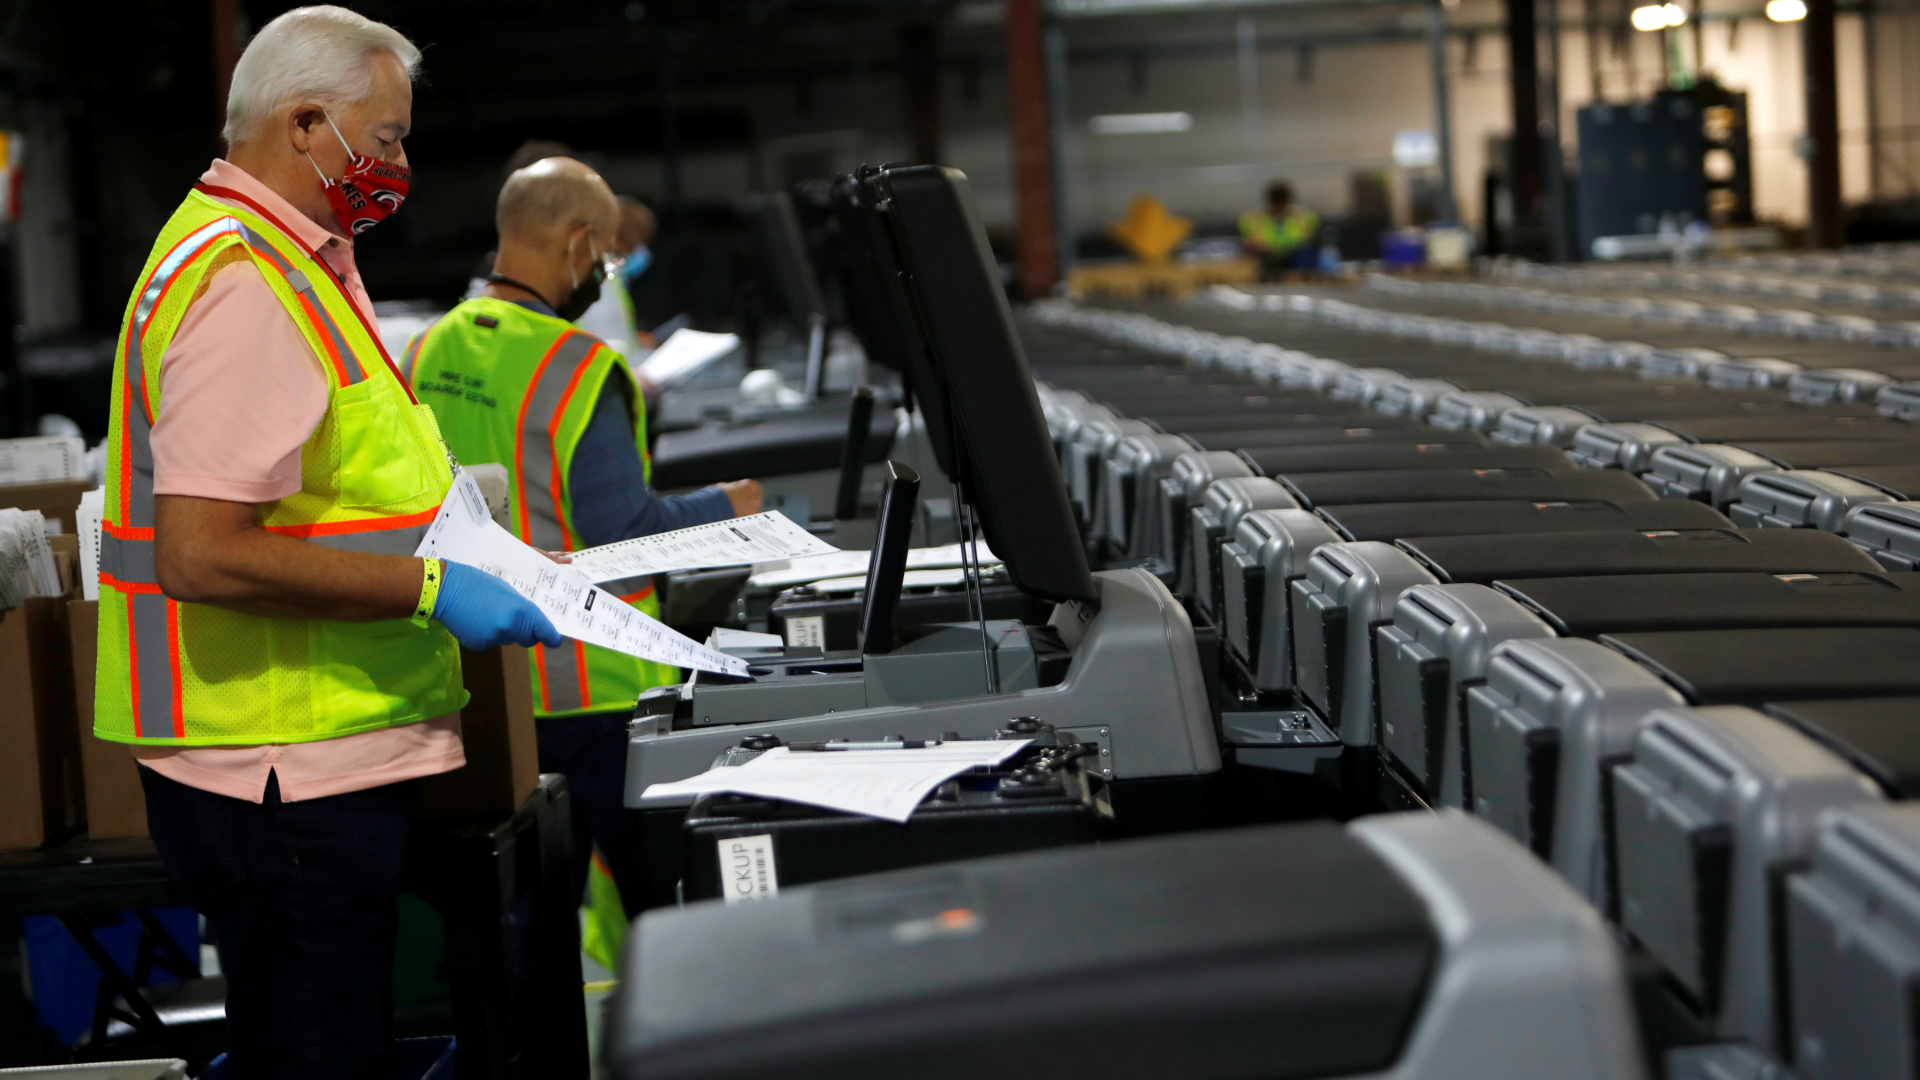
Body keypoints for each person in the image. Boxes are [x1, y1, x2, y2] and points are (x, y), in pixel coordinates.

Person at [93, 8, 562, 1078]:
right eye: (385, 137)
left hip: (299, 756)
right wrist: (429, 589)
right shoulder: (247, 285)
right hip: (279, 765)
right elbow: (201, 552)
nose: (398, 164)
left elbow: (334, 485)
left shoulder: (295, 259)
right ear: (306, 124)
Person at [403, 157, 762, 915]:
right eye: (602, 257)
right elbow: (621, 531)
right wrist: (729, 506)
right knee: (662, 912)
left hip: (479, 689)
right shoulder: (577, 367)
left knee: (525, 932)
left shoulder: (423, 350)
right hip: (593, 686)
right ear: (575, 244)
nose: (601, 273)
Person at [572, 195, 657, 357]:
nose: (641, 250)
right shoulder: (600, 278)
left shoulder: (612, 279)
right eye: (639, 242)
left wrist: (635, 340)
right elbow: (606, 343)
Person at [1239, 179, 1321, 277]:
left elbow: (1307, 237)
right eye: (1277, 204)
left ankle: (1302, 275)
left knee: (1307, 255)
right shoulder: (1255, 218)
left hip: (1293, 255)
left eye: (1281, 204)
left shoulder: (1302, 216)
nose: (1279, 208)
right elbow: (1250, 242)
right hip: (1267, 256)